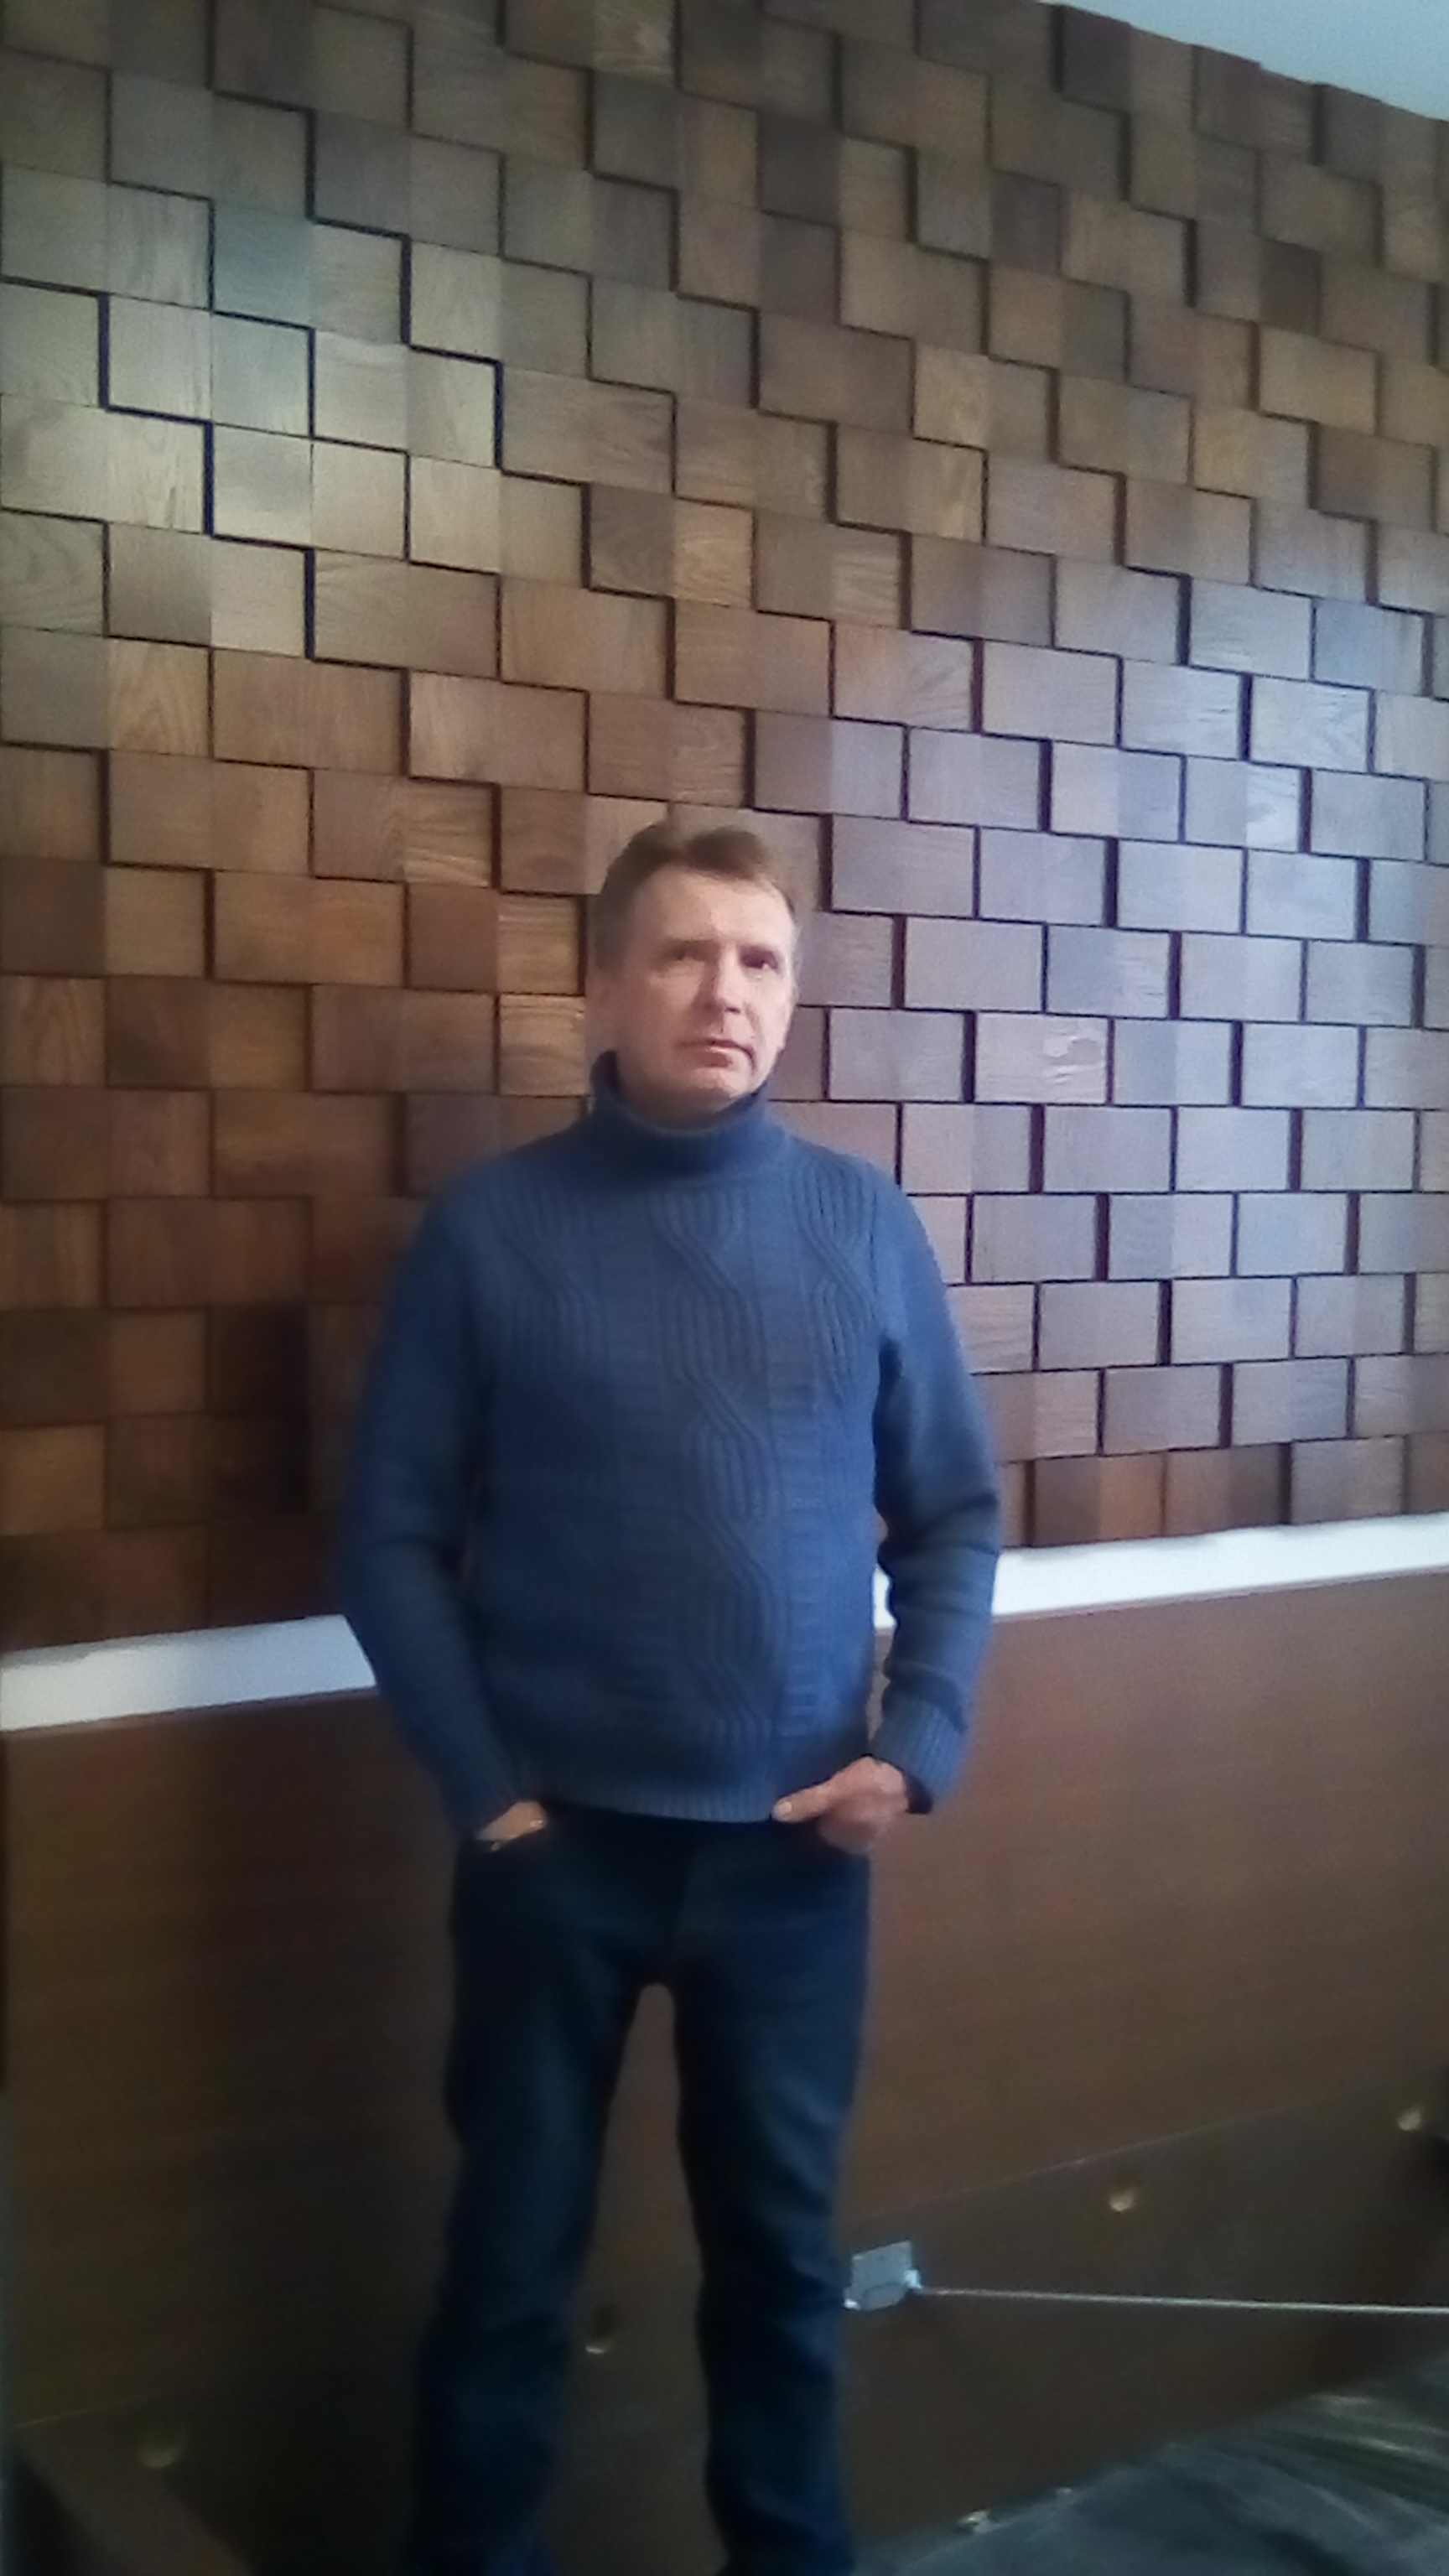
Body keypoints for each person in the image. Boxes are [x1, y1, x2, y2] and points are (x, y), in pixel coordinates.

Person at [340, 820, 1002, 2576]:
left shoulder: (861, 1224)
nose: (729, 992)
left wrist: (915, 1748)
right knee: (508, 2279)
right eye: (687, 954)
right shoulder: (493, 1232)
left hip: (793, 1861)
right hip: (552, 1859)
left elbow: (954, 1513)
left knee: (781, 2280)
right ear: (603, 990)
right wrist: (488, 1793)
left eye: (762, 960)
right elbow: (388, 1537)